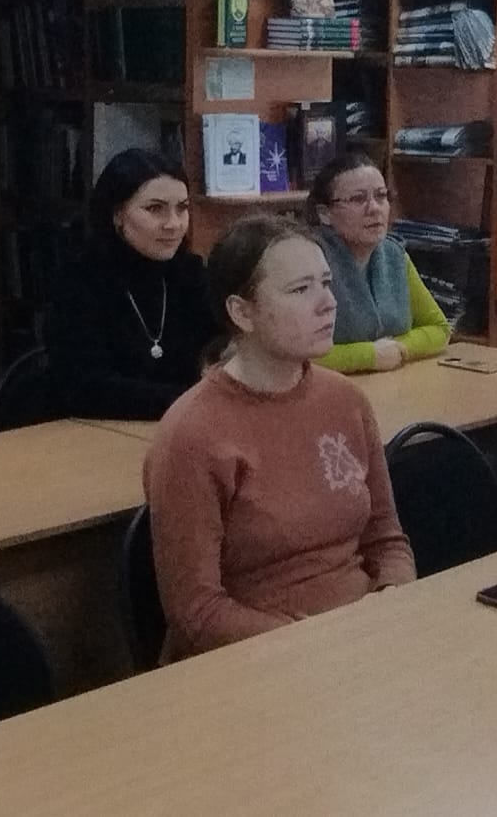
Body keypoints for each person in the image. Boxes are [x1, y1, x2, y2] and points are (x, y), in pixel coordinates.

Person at [144, 214, 415, 661]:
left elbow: (386, 540)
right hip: (259, 659)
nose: (328, 303)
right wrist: (311, 643)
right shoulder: (191, 434)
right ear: (242, 312)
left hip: (361, 638)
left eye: (326, 283)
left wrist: (391, 597)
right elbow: (196, 611)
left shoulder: (346, 400)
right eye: (300, 289)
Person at [44, 149, 216, 420]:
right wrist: (193, 401)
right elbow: (86, 389)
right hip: (95, 431)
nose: (173, 224)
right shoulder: (80, 281)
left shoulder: (190, 273)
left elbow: (222, 352)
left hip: (183, 425)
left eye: (182, 208)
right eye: (155, 209)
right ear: (117, 215)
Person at [307, 153, 450, 374]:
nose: (374, 208)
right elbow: (292, 356)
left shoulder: (394, 255)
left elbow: (440, 329)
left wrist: (399, 348)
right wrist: (369, 356)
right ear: (325, 214)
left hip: (389, 384)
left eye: (381, 196)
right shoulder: (307, 260)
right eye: (358, 199)